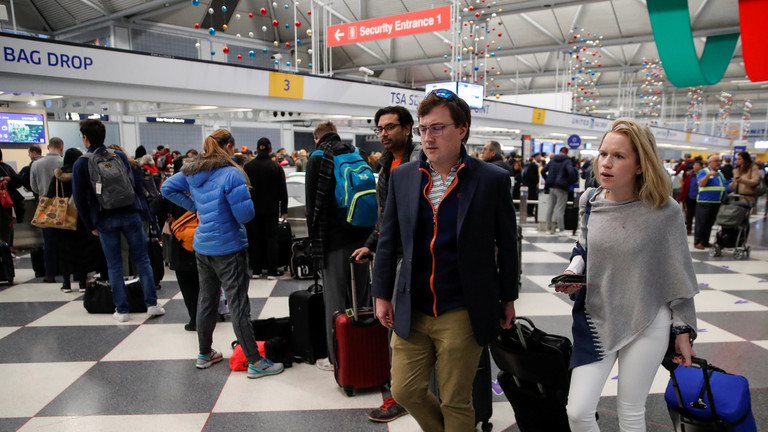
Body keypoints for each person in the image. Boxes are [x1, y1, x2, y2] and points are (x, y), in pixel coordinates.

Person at [371, 89, 518, 431]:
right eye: (423, 129)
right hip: (412, 305)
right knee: (405, 389)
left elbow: (507, 245)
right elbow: (388, 238)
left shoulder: (491, 180)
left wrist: (507, 297)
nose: (427, 137)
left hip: (461, 308)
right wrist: (381, 295)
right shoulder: (404, 177)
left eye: (437, 128)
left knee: (456, 399)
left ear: (462, 129)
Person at [555, 118, 698, 431]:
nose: (606, 163)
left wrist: (683, 330)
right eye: (604, 154)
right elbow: (584, 247)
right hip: (598, 316)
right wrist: (573, 269)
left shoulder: (665, 210)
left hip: (648, 319)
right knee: (578, 411)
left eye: (618, 156)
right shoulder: (589, 201)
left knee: (631, 413)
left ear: (639, 165)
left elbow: (679, 273)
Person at [161, 128, 284, 378]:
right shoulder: (232, 174)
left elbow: (167, 188)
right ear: (229, 146)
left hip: (203, 246)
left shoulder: (193, 171)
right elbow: (245, 215)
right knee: (238, 304)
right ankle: (255, 362)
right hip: (229, 247)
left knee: (206, 300)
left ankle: (204, 354)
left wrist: (195, 207)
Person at [350, 105, 421, 423]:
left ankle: (404, 393)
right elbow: (386, 216)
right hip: (394, 256)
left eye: (390, 127)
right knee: (396, 323)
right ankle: (403, 389)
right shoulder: (385, 166)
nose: (383, 133)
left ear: (407, 129)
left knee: (407, 326)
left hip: (416, 259)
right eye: (380, 128)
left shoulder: (419, 161)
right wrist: (370, 245)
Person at [72, 119, 165, 322]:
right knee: (142, 259)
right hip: (130, 213)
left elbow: (80, 199)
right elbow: (132, 185)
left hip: (104, 217)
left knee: (114, 264)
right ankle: (152, 304)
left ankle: (122, 310)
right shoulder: (120, 156)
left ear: (85, 138)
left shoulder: (82, 163)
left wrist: (90, 224)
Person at [305, 121, 374, 372]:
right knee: (363, 297)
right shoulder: (356, 153)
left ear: (316, 139)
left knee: (334, 301)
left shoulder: (318, 159)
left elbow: (313, 208)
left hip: (333, 241)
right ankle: (366, 346)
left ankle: (338, 359)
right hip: (363, 238)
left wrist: (314, 247)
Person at [43, 148, 107, 293]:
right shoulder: (82, 173)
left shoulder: (58, 176)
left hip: (63, 218)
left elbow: (49, 195)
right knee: (83, 250)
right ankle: (83, 283)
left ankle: (66, 283)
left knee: (65, 251)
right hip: (81, 217)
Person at [243, 137, 288, 279]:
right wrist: (284, 210)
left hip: (252, 209)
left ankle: (256, 270)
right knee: (271, 239)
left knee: (255, 239)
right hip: (271, 209)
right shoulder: (276, 167)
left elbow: (244, 190)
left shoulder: (248, 167)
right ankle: (272, 271)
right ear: (270, 148)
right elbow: (282, 190)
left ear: (257, 148)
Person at [30, 137, 65, 283]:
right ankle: (68, 272)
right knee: (65, 241)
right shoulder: (64, 162)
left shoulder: (36, 164)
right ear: (61, 148)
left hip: (45, 204)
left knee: (49, 242)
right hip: (64, 205)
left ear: (48, 147)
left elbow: (34, 187)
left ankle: (49, 274)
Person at [541, 146, 578, 234]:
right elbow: (571, 172)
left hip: (551, 187)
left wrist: (548, 179)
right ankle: (561, 229)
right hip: (561, 188)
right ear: (567, 153)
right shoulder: (567, 161)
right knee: (560, 209)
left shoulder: (553, 159)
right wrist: (568, 182)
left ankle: (548, 229)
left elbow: (543, 171)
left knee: (550, 208)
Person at [694, 155, 726, 249]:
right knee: (701, 223)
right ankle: (698, 242)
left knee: (709, 223)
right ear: (710, 162)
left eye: (719, 161)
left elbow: (723, 186)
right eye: (716, 161)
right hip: (704, 202)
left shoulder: (720, 174)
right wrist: (708, 176)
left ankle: (705, 241)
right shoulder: (703, 172)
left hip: (716, 202)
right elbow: (701, 183)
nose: (718, 163)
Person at [0, 149, 23, 246]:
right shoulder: (6, 168)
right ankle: (6, 248)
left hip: (4, 204)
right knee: (6, 226)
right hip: (5, 203)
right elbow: (18, 181)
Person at [680, 159, 703, 235]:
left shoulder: (702, 175)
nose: (695, 166)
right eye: (694, 165)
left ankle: (698, 230)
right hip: (689, 196)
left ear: (701, 167)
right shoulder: (689, 174)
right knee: (689, 213)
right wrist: (683, 196)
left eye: (697, 165)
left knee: (698, 215)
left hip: (699, 197)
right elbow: (685, 185)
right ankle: (688, 228)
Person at [523, 152, 543, 222]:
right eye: (539, 156)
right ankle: (529, 212)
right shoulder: (533, 165)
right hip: (531, 185)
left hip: (533, 184)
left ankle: (530, 212)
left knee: (533, 198)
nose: (540, 158)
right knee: (531, 197)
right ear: (536, 157)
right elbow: (530, 175)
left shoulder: (536, 165)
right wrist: (536, 182)